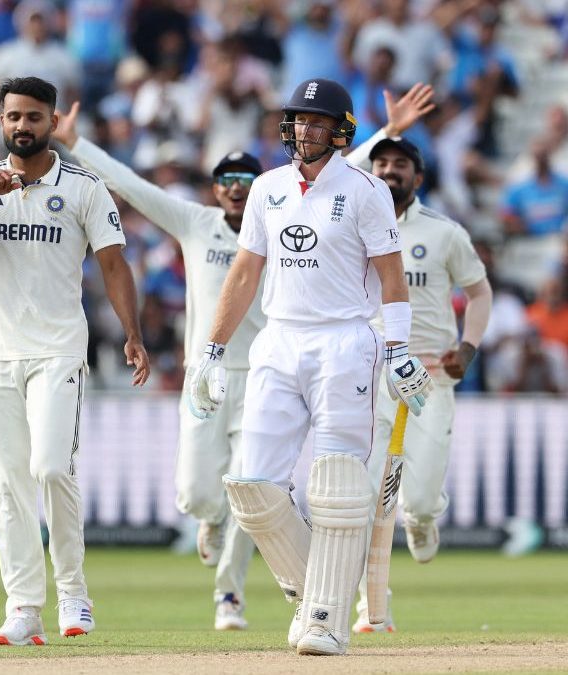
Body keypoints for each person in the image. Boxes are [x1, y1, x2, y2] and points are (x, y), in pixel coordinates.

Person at [188, 78, 433, 656]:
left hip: (344, 341)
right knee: (252, 488)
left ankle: (325, 620)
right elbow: (244, 273)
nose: (307, 130)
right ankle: (318, 596)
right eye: (300, 119)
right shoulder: (267, 188)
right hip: (277, 340)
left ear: (342, 131)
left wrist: (398, 350)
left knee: (337, 487)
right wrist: (213, 349)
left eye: (320, 122)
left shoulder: (367, 191)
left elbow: (392, 277)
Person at [0, 76, 150, 646]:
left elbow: (113, 264)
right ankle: (24, 609)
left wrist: (132, 334)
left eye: (33, 117)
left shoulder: (83, 187)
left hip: (58, 350)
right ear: (0, 121)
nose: (22, 126)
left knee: (51, 468)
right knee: (9, 483)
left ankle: (73, 593)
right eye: (13, 116)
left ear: (53, 122)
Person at [53, 102, 266, 631]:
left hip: (263, 376)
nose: (236, 189)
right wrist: (77, 144)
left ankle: (230, 596)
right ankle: (209, 517)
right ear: (215, 189)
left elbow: (333, 179)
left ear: (260, 188)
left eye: (245, 180)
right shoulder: (196, 223)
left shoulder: (281, 223)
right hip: (205, 375)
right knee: (196, 492)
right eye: (227, 181)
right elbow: (133, 187)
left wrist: (386, 132)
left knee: (251, 485)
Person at [344, 92, 492, 632]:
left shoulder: (444, 232)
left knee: (419, 501)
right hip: (372, 374)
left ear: (418, 177)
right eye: (381, 163)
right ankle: (372, 608)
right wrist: (385, 131)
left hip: (430, 378)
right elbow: (335, 175)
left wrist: (468, 348)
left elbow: (480, 293)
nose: (388, 171)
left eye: (399, 165)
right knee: (365, 497)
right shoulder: (354, 222)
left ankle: (425, 518)